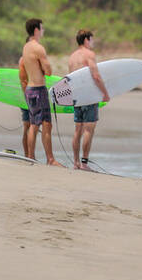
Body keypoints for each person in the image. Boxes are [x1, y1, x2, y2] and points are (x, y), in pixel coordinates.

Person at [21, 18, 64, 167]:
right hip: (39, 89)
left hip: (29, 90)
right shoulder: (38, 48)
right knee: (46, 124)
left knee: (33, 124)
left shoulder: (26, 47)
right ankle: (50, 159)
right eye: (42, 28)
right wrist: (45, 67)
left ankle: (31, 157)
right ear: (36, 30)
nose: (43, 31)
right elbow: (49, 71)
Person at [67, 29, 110, 171]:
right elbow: (96, 76)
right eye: (92, 39)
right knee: (88, 130)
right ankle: (84, 163)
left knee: (77, 130)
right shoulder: (89, 54)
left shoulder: (72, 57)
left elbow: (70, 78)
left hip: (77, 96)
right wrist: (105, 93)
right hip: (89, 96)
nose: (93, 42)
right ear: (86, 40)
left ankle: (75, 163)